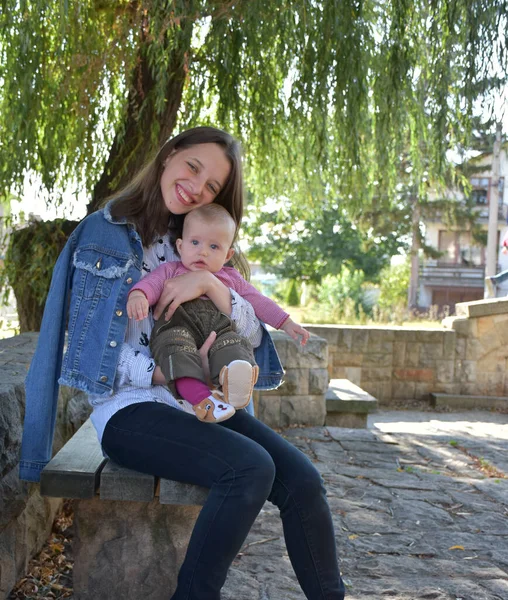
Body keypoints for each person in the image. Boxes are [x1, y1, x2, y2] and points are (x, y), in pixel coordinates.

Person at [19, 126, 346, 599]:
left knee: (303, 481)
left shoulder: (201, 240)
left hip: (197, 405)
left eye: (212, 185)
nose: (197, 186)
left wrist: (213, 288)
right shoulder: (104, 235)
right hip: (128, 410)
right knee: (250, 468)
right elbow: (87, 354)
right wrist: (162, 372)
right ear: (170, 154)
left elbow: (252, 335)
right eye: (194, 167)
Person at [127, 203, 309, 424]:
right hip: (177, 327)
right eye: (195, 242)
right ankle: (201, 398)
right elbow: (151, 284)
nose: (203, 251)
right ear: (181, 246)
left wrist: (286, 323)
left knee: (234, 343)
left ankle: (235, 381)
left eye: (214, 247)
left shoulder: (229, 278)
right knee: (175, 350)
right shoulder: (170, 270)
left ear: (227, 254)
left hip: (218, 330)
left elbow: (259, 302)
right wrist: (139, 296)